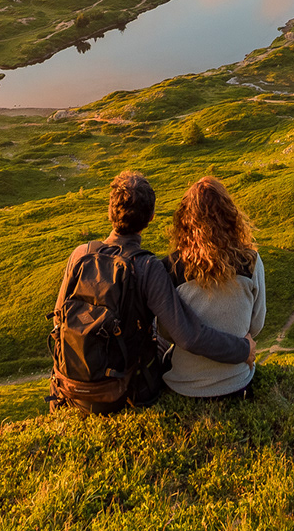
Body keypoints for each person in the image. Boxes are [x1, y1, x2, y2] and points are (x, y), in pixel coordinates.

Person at [49, 170, 254, 414]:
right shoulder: (148, 268)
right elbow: (188, 336)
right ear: (151, 218)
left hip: (71, 387)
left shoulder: (81, 255)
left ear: (110, 213)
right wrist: (243, 349)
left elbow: (59, 319)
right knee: (160, 342)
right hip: (125, 391)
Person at [163, 175, 265, 400]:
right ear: (230, 216)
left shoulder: (170, 267)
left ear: (185, 221)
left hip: (183, 386)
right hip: (237, 384)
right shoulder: (251, 262)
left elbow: (166, 331)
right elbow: (256, 326)